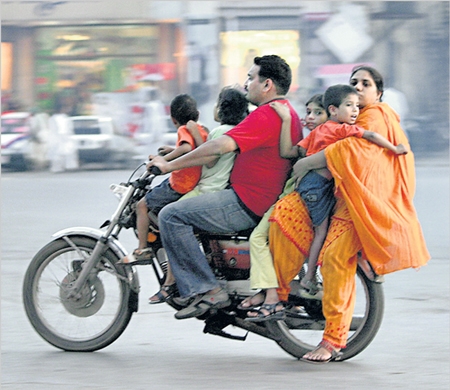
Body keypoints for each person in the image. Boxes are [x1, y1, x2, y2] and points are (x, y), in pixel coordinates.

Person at [268, 66, 430, 363]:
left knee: (334, 259)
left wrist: (307, 164)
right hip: (343, 197)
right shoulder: (352, 115)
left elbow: (353, 150)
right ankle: (277, 294)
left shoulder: (377, 115)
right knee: (283, 215)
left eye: (365, 84)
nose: (358, 87)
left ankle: (332, 341)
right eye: (353, 82)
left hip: (361, 205)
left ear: (378, 92)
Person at [148, 55, 302, 320]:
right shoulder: (284, 112)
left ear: (267, 85)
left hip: (246, 201)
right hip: (256, 198)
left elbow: (220, 146)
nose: (246, 84)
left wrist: (169, 166)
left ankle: (207, 288)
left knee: (171, 215)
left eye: (251, 78)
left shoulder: (267, 114)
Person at [275, 84, 408, 296]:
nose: (355, 110)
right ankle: (309, 278)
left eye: (357, 106)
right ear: (334, 110)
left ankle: (308, 271)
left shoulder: (319, 130)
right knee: (321, 232)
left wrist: (287, 121)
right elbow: (371, 136)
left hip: (308, 185)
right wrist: (394, 148)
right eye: (349, 105)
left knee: (319, 230)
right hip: (317, 188)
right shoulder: (340, 129)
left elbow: (291, 152)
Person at [148, 86, 249, 304]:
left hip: (207, 190)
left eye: (217, 103)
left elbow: (207, 156)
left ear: (222, 109)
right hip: (215, 189)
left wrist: (168, 163)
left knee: (168, 218)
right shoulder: (232, 130)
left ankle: (174, 284)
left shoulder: (220, 132)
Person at [238, 94, 327, 314]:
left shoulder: (327, 138)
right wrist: (287, 120)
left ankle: (271, 294)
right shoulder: (314, 138)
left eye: (318, 112)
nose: (311, 117)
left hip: (296, 203)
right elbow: (286, 152)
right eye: (308, 112)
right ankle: (267, 291)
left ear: (332, 113)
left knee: (258, 238)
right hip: (294, 199)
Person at [119, 94, 208, 265]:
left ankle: (142, 248)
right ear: (197, 114)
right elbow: (192, 148)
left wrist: (163, 161)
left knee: (141, 205)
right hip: (191, 183)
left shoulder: (184, 129)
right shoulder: (200, 129)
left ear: (173, 119)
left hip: (179, 185)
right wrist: (170, 150)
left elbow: (187, 147)